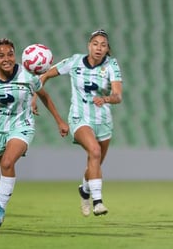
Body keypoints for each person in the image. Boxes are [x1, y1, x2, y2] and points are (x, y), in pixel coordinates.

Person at [0, 38, 69, 227]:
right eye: (1, 56)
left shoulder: (28, 76)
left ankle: (1, 210)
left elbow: (44, 96)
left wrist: (59, 121)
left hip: (21, 126)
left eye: (10, 54)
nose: (7, 59)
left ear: (15, 55)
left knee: (8, 162)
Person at [40, 29, 123, 217]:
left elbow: (118, 96)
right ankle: (98, 202)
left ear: (107, 48)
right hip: (79, 118)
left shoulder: (112, 65)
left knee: (95, 163)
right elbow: (45, 75)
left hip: (103, 120)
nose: (99, 48)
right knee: (94, 151)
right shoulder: (75, 61)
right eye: (95, 44)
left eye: (103, 45)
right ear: (89, 46)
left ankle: (84, 190)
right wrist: (34, 96)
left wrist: (107, 99)